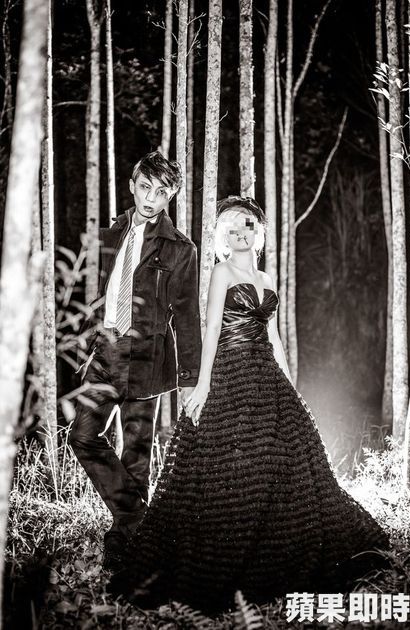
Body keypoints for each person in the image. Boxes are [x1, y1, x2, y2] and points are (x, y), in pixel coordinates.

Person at [109, 195, 389, 613]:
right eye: (231, 228)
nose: (239, 231)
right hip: (229, 370)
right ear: (223, 238)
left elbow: (272, 336)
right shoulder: (222, 272)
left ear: (259, 233)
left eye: (247, 225)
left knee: (283, 460)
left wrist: (289, 386)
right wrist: (202, 385)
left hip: (266, 372)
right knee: (230, 462)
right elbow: (211, 330)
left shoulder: (267, 278)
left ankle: (283, 545)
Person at [70, 151, 201, 570]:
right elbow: (102, 289)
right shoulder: (112, 233)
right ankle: (138, 520)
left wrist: (191, 378)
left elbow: (187, 315)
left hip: (147, 355)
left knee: (137, 454)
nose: (150, 198)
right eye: (145, 187)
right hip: (105, 351)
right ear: (132, 185)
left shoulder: (180, 249)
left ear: (170, 196)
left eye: (161, 192)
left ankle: (124, 542)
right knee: (82, 436)